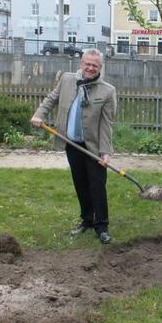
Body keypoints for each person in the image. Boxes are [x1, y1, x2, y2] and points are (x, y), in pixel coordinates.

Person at [31, 49, 117, 244]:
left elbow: (106, 124)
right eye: (87, 63)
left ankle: (102, 226)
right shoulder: (67, 80)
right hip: (71, 143)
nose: (90, 68)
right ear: (81, 63)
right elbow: (51, 99)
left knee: (97, 186)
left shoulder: (107, 90)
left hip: (92, 147)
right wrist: (39, 114)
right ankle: (87, 220)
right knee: (81, 185)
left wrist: (105, 152)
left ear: (100, 68)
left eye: (95, 65)